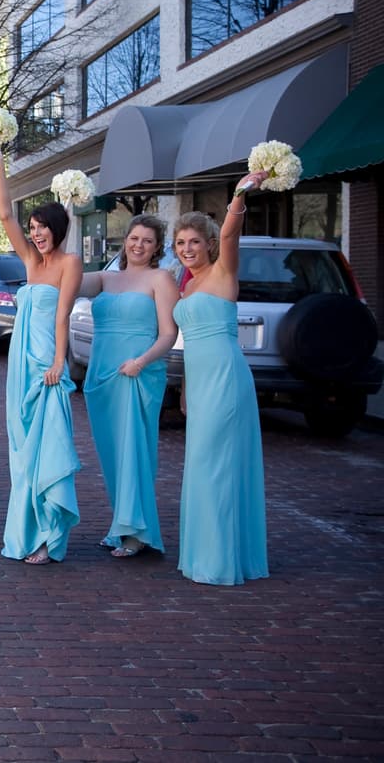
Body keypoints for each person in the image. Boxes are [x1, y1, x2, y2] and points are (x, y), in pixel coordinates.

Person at [0, 143, 82, 565]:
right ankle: (27, 532)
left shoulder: (69, 263)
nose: (37, 233)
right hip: (20, 366)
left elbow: (62, 316)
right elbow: (4, 214)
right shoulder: (29, 260)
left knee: (49, 449)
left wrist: (60, 363)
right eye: (34, 227)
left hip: (46, 363)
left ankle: (49, 538)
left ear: (59, 230)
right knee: (23, 452)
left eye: (44, 227)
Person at [172, 176, 269, 586]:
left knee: (218, 467)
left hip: (227, 381)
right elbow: (188, 345)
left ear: (209, 243)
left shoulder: (224, 270)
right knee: (201, 465)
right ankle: (203, 554)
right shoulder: (187, 285)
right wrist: (186, 391)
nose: (187, 250)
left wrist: (240, 193)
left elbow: (231, 230)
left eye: (194, 242)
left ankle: (220, 560)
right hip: (200, 382)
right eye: (180, 244)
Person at [78, 215, 179, 559]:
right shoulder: (107, 278)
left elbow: (169, 333)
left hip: (138, 374)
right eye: (134, 238)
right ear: (126, 240)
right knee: (112, 454)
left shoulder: (161, 278)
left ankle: (137, 533)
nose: (138, 245)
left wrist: (142, 361)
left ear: (156, 247)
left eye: (147, 241)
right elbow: (66, 278)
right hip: (102, 376)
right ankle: (122, 524)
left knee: (134, 450)